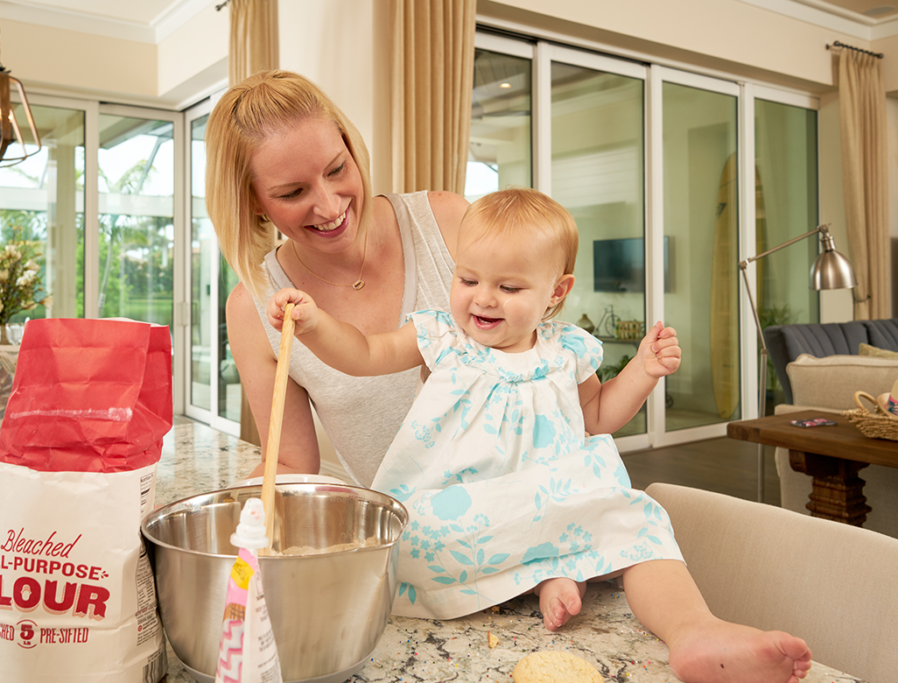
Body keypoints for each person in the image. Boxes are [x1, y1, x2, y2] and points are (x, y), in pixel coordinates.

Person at [267, 187, 812, 683]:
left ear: (556, 292)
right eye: (467, 278)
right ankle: (550, 572)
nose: (482, 299)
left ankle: (694, 630)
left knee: (640, 519)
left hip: (552, 506)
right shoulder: (443, 337)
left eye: (508, 287)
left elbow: (596, 416)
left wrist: (642, 373)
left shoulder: (565, 350)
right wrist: (317, 327)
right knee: (405, 543)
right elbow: (363, 355)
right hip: (456, 516)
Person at [205, 69, 468, 486]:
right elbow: (290, 463)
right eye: (293, 193)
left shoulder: (449, 222)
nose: (329, 208)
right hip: (409, 543)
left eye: (336, 169)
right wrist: (227, 518)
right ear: (253, 204)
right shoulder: (252, 308)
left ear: (350, 146)